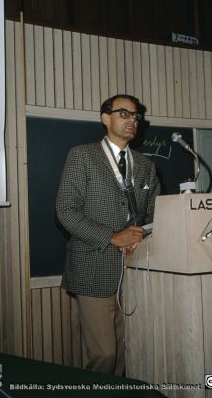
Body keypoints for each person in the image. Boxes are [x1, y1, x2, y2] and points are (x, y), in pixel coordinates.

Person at [56, 94, 160, 376]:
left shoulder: (146, 166)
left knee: (125, 353)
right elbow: (65, 211)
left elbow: (154, 215)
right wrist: (112, 237)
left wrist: (142, 237)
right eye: (124, 114)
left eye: (136, 116)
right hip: (93, 267)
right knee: (104, 355)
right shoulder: (82, 156)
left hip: (134, 269)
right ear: (105, 118)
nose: (132, 120)